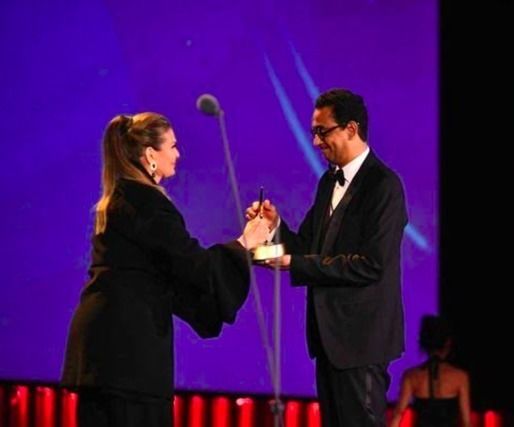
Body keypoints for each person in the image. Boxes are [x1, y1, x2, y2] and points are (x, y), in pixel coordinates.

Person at [61, 112, 269, 427]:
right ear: (150, 155)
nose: (178, 154)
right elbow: (195, 266)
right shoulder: (146, 203)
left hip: (107, 353)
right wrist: (245, 242)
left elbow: (168, 276)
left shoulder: (123, 197)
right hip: (126, 354)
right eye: (172, 146)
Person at [246, 89, 408, 426]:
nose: (316, 142)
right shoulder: (327, 183)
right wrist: (274, 226)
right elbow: (307, 245)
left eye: (322, 131)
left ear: (351, 129)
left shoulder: (384, 185)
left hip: (362, 342)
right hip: (329, 340)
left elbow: (371, 264)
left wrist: (296, 264)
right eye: (313, 133)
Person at [389, 316, 471, 427]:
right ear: (448, 343)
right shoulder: (460, 377)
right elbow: (466, 422)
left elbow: (398, 414)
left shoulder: (411, 376)